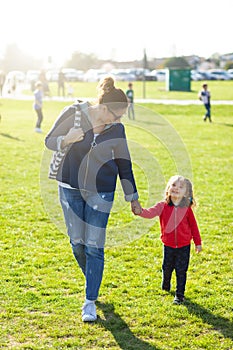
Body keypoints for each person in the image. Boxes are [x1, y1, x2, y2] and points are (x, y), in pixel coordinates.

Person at [45, 76, 141, 322]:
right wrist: (67, 139)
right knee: (77, 243)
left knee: (94, 246)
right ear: (104, 107)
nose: (118, 121)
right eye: (116, 115)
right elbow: (49, 141)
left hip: (102, 191)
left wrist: (132, 196)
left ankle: (90, 301)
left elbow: (124, 163)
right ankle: (92, 280)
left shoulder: (117, 129)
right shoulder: (74, 113)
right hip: (70, 187)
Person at [134, 175, 202, 304]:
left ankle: (179, 295)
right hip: (168, 245)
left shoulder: (186, 209)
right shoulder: (162, 206)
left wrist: (198, 243)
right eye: (173, 185)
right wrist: (139, 211)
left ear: (186, 193)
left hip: (184, 246)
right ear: (168, 189)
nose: (176, 188)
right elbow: (149, 213)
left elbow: (194, 227)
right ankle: (166, 284)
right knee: (167, 267)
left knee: (181, 270)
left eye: (181, 187)